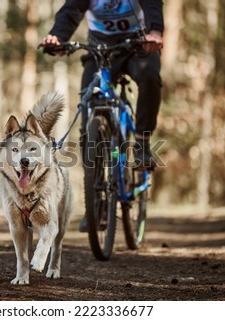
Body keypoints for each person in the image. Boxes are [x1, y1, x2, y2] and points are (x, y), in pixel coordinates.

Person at [39, 0, 164, 232]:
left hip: (138, 44)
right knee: (88, 106)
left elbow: (152, 3)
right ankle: (96, 206)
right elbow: (71, 11)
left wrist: (155, 31)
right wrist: (57, 37)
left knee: (150, 79)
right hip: (101, 48)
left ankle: (142, 144)